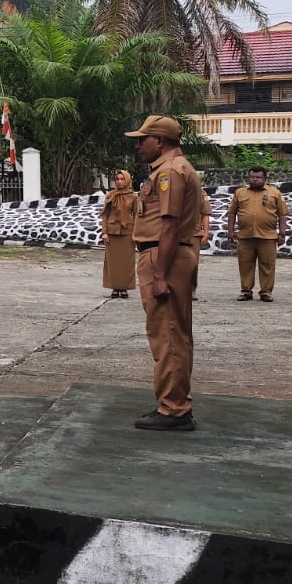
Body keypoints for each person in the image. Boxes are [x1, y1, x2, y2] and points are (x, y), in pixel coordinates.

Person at [126, 115, 202, 432]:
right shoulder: (173, 168)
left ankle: (174, 409)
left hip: (163, 254)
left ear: (160, 141)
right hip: (169, 253)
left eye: (143, 139)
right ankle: (173, 402)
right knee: (176, 333)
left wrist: (159, 275)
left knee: (168, 333)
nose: (138, 145)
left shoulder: (170, 171)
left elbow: (169, 225)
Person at [227, 168, 289, 303]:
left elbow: (282, 214)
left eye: (258, 177)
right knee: (245, 265)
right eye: (252, 177)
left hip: (267, 236)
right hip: (245, 236)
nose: (254, 179)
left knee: (267, 265)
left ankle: (266, 292)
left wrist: (282, 233)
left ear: (265, 179)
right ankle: (246, 291)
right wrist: (230, 231)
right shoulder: (240, 192)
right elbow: (232, 212)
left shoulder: (274, 193)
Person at [100, 169, 137, 299]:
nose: (120, 182)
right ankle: (115, 288)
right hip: (112, 233)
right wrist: (104, 232)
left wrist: (135, 234)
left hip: (127, 232)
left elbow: (138, 216)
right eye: (117, 179)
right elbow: (104, 214)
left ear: (127, 180)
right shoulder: (110, 195)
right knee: (113, 263)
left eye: (122, 179)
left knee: (127, 263)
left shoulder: (134, 196)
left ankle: (125, 288)